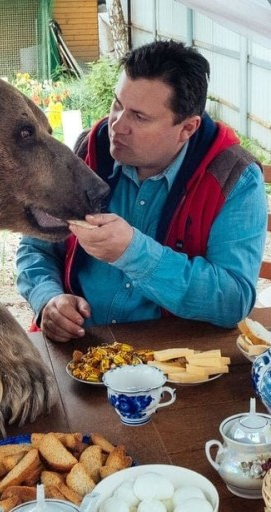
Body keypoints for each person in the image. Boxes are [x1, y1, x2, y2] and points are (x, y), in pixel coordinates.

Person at [16, 39, 268, 342]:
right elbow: (36, 248)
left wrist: (132, 252)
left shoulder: (235, 178)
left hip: (174, 356)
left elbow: (233, 301)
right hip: (79, 347)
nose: (116, 126)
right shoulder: (87, 152)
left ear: (187, 128)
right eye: (117, 105)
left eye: (139, 117)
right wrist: (48, 299)